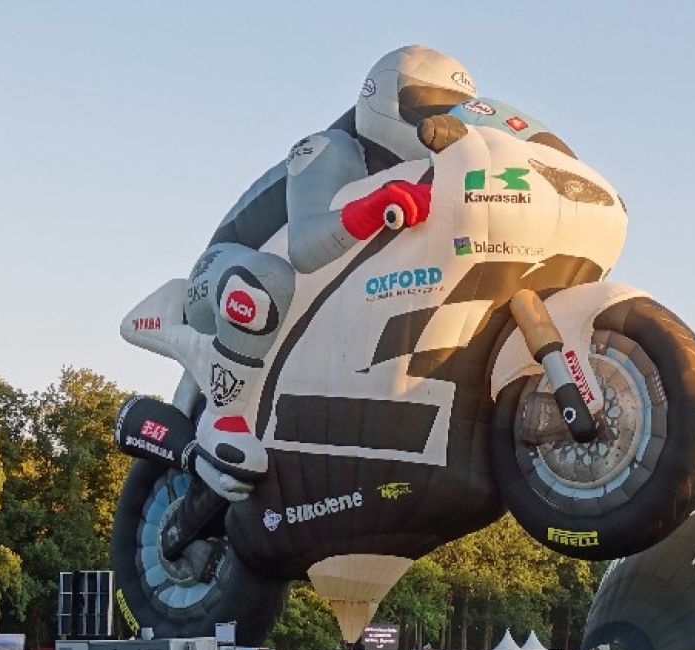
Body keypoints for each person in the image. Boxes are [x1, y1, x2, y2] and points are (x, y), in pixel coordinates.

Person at [120, 45, 476, 502]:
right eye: (428, 107)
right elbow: (305, 246)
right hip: (226, 272)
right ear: (385, 100)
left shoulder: (415, 169)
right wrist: (374, 206)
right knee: (266, 279)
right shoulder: (331, 147)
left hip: (302, 303)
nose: (441, 122)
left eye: (453, 112)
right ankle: (223, 417)